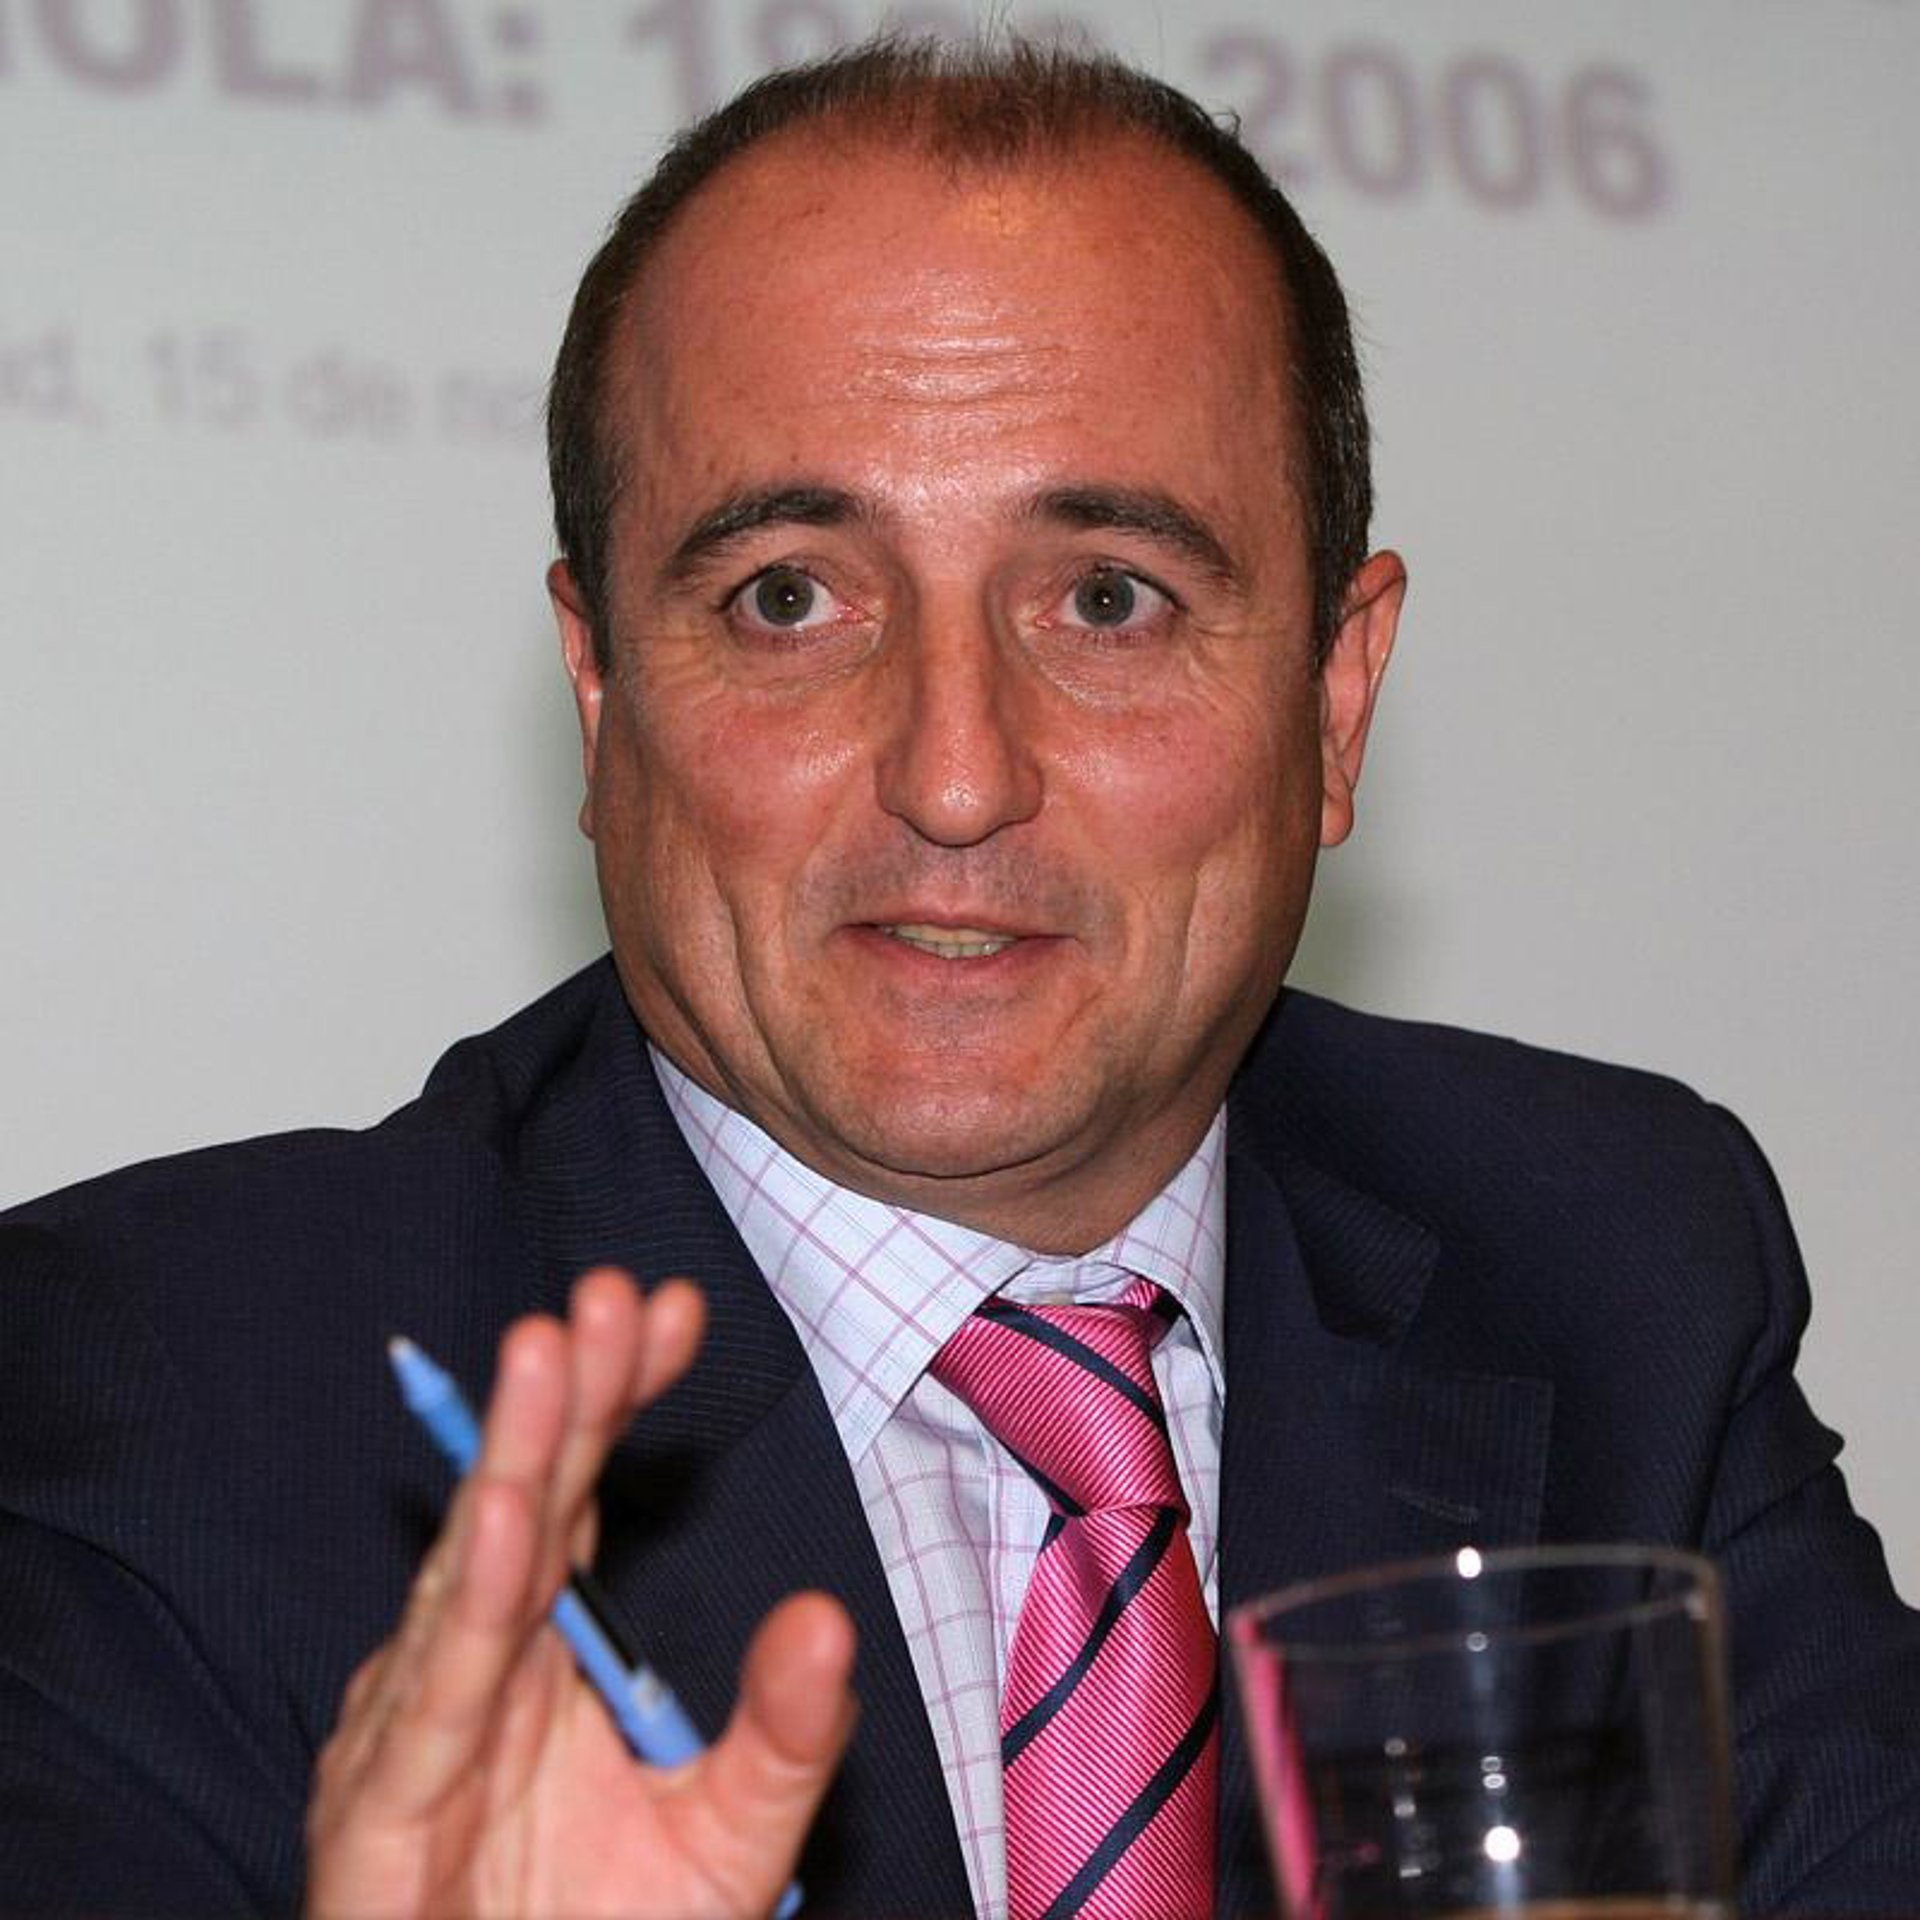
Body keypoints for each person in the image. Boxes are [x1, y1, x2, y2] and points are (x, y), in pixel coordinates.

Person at [3, 35, 1917, 1919]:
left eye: (1107, 599)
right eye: (787, 597)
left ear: (1336, 702)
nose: (955, 773)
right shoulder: (153, 1404)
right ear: (602, 694)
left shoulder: (1614, 1269)